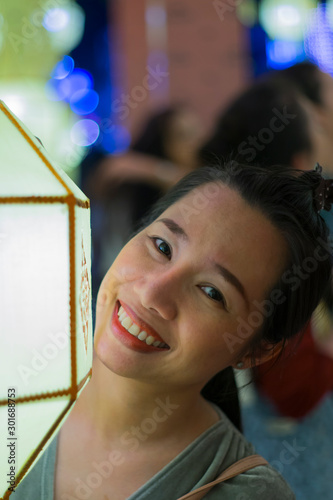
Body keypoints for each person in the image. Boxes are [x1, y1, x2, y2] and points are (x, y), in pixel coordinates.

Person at [15, 160, 333, 499]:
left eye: (212, 293)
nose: (153, 293)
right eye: (162, 246)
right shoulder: (18, 364)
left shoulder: (244, 493)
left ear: (254, 350)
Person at [199, 77, 333, 420]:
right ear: (301, 164)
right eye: (317, 124)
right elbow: (293, 392)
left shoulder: (212, 218)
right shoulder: (275, 255)